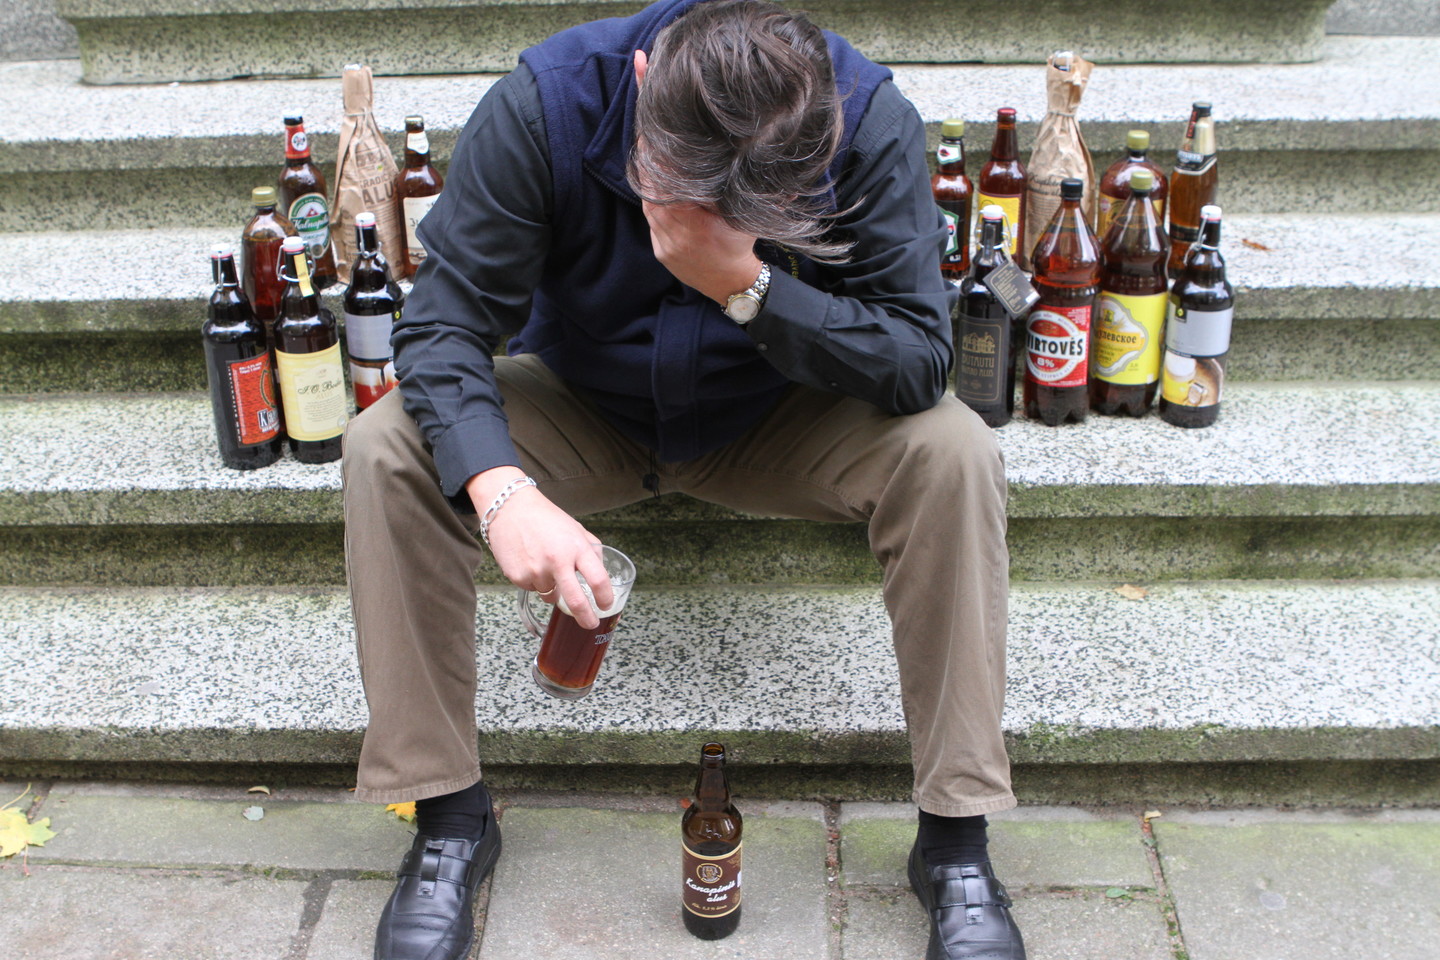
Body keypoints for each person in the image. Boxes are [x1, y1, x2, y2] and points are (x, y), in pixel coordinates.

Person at [342, 1, 1023, 958]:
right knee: (384, 446)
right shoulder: (544, 104)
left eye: (749, 205)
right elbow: (442, 323)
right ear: (642, 79)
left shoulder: (867, 119)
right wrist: (500, 490)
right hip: (585, 399)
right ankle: (451, 816)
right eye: (686, 185)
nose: (709, 216)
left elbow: (918, 360)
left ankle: (954, 838)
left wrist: (744, 284)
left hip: (778, 411)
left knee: (956, 451)